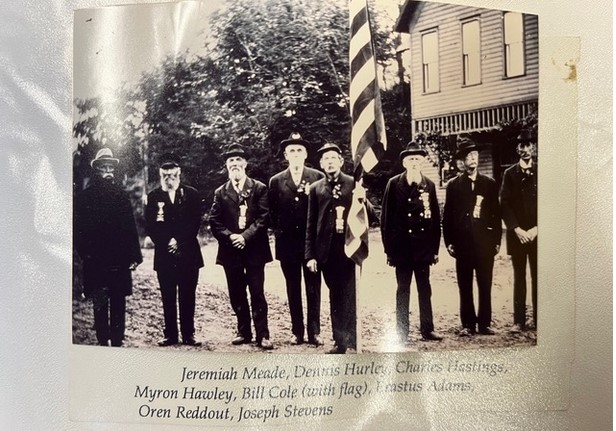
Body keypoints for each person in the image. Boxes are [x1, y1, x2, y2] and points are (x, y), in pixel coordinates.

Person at [74, 148, 142, 347]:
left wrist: (134, 256)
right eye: (104, 167)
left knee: (118, 301)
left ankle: (117, 341)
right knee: (100, 303)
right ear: (97, 170)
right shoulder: (85, 197)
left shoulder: (121, 195)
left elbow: (130, 228)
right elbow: (78, 230)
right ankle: (103, 341)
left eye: (110, 167)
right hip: (96, 260)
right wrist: (85, 254)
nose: (108, 171)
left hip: (118, 260)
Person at [209, 144, 274, 350]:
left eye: (238, 160)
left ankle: (263, 334)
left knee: (257, 292)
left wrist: (245, 237)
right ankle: (243, 331)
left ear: (245, 163)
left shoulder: (259, 188)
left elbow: (264, 218)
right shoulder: (220, 192)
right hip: (231, 252)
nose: (235, 164)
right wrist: (231, 237)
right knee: (236, 293)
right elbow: (214, 221)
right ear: (226, 166)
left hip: (254, 250)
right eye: (231, 161)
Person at [380, 141, 443, 346]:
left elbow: (435, 220)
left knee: (425, 288)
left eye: (417, 159)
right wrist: (389, 250)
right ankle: (401, 331)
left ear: (422, 162)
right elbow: (386, 220)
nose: (414, 162)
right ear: (404, 163)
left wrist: (434, 249)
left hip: (423, 247)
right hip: (402, 248)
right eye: (410, 159)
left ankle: (428, 328)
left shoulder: (429, 185)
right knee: (403, 289)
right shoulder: (394, 184)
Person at [305, 143, 362, 354]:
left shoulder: (353, 183)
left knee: (350, 295)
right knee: (335, 297)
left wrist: (362, 199)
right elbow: (311, 224)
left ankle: (354, 340)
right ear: (321, 164)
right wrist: (310, 255)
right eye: (326, 159)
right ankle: (340, 342)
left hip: (349, 249)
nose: (330, 162)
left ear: (341, 161)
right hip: (326, 253)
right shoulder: (316, 188)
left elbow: (368, 215)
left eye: (333, 158)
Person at [268, 132, 324, 346]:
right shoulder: (276, 181)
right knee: (293, 288)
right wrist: (281, 232)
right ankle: (297, 331)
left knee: (313, 288)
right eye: (291, 150)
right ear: (286, 155)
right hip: (288, 245)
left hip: (311, 245)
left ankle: (314, 332)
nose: (296, 154)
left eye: (300, 150)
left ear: (306, 154)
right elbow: (272, 213)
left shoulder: (317, 177)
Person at [442, 137, 502, 336]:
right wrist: (449, 241)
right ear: (462, 161)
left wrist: (496, 241)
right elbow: (448, 216)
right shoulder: (454, 185)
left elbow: (496, 214)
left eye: (475, 155)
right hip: (463, 244)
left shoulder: (489, 184)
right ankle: (467, 324)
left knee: (485, 284)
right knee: (465, 285)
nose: (473, 159)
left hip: (485, 244)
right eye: (468, 156)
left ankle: (484, 323)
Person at [145, 153, 204, 347]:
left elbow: (195, 222)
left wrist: (179, 241)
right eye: (165, 175)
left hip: (188, 253)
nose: (169, 178)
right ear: (160, 175)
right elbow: (150, 226)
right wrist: (167, 241)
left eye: (172, 174)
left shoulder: (191, 194)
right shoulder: (153, 197)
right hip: (164, 255)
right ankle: (170, 334)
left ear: (179, 174)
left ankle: (189, 334)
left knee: (188, 295)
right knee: (168, 296)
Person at [500, 130, 538, 332]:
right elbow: (504, 204)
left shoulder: (541, 171)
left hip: (538, 234)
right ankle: (519, 321)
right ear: (517, 149)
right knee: (519, 276)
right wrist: (516, 229)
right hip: (518, 236)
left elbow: (549, 201)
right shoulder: (509, 174)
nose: (525, 149)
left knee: (539, 276)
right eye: (522, 146)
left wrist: (537, 228)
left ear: (533, 147)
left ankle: (539, 319)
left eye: (529, 145)